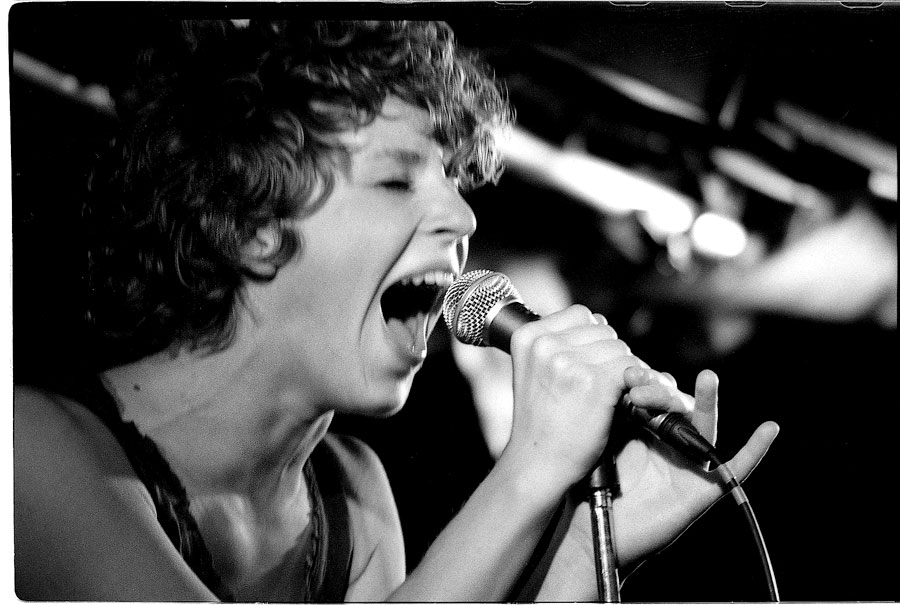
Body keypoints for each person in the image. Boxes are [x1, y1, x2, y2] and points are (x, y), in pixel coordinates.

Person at [13, 20, 779, 601]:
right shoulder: (30, 451)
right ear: (247, 223)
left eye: (455, 181)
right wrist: (531, 468)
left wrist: (587, 540)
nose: (464, 218)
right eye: (394, 181)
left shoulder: (352, 496)